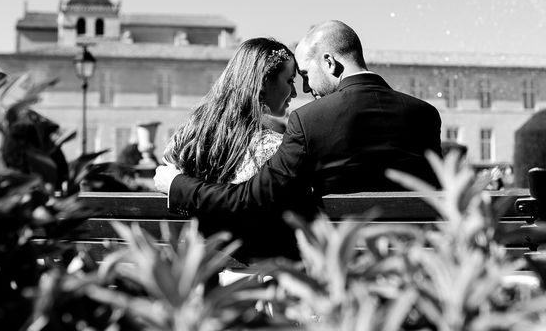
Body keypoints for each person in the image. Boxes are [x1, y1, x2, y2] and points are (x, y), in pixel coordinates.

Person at [154, 20, 442, 258]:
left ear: (329, 62)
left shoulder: (310, 121)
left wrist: (177, 185)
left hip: (340, 267)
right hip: (412, 263)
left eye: (304, 74)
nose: (305, 88)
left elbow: (251, 199)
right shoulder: (425, 114)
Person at [164, 37, 297, 185]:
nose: (294, 93)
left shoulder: (190, 135)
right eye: (290, 81)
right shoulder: (272, 148)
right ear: (264, 81)